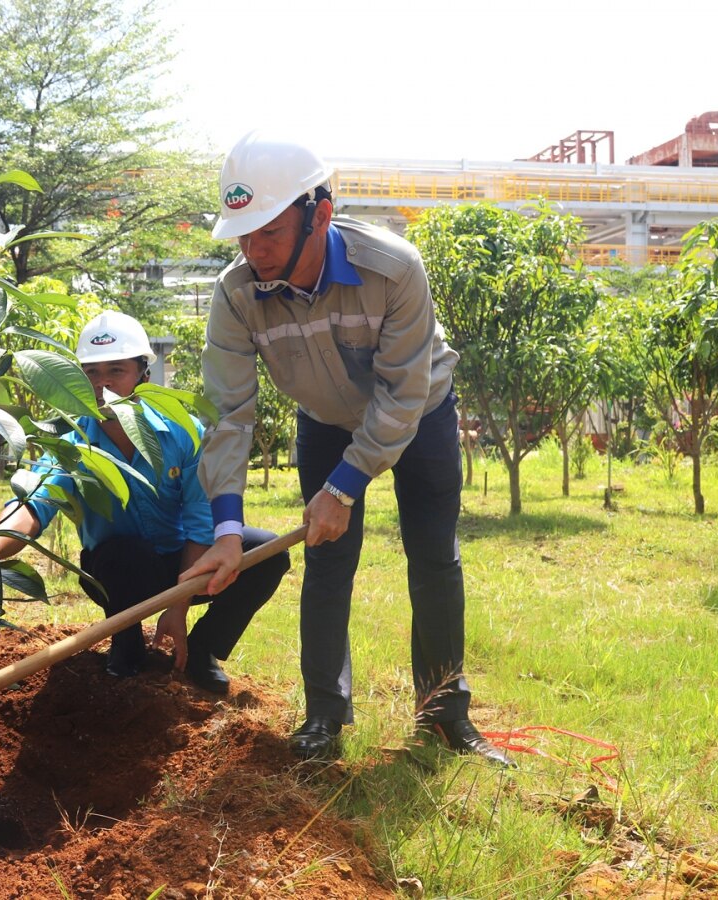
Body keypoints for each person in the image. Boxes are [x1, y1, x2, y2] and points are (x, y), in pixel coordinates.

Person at [182, 131, 512, 766]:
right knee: (328, 563)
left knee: (433, 557)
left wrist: (344, 487)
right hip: (326, 421)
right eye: (243, 237)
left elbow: (400, 395)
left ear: (320, 214)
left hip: (418, 414)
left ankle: (445, 713)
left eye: (269, 234)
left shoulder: (392, 269)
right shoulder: (236, 294)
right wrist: (226, 526)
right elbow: (228, 413)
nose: (254, 251)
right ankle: (324, 718)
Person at [0, 311, 288, 694]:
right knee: (123, 554)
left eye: (116, 370)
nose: (102, 384)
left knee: (269, 552)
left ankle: (201, 650)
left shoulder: (181, 432)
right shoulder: (71, 440)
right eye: (91, 373)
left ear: (143, 374)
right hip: (117, 574)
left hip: (187, 562)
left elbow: (199, 523)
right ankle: (126, 643)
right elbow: (33, 503)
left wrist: (177, 608)